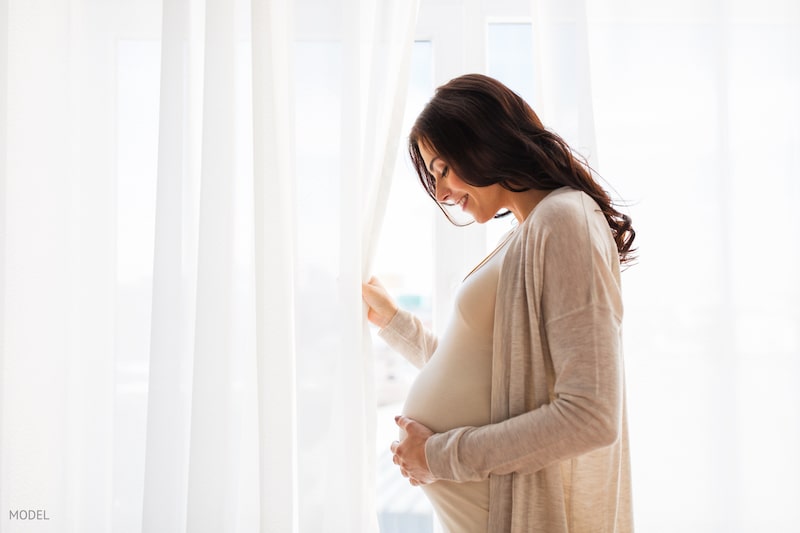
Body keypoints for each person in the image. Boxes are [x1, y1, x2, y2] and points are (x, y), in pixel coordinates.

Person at [362, 73, 635, 533]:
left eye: (442, 168)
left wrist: (437, 457)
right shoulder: (531, 232)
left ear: (482, 140)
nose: (443, 194)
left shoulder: (564, 221)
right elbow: (492, 379)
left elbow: (591, 416)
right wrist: (393, 322)